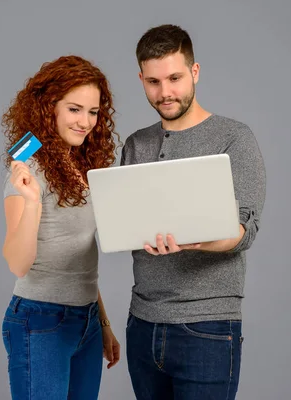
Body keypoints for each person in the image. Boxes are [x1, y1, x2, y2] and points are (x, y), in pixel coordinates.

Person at [121, 25, 267, 399]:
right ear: (141, 79)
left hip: (208, 326)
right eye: (153, 81)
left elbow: (244, 232)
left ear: (195, 72)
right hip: (142, 323)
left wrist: (194, 238)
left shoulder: (234, 137)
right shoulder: (136, 144)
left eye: (174, 78)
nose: (164, 92)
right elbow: (125, 220)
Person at [0, 55, 121, 400]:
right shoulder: (28, 172)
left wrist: (103, 323)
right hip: (41, 320)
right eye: (74, 109)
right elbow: (17, 263)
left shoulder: (83, 166)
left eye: (93, 112)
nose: (85, 122)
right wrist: (33, 201)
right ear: (49, 107)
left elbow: (79, 255)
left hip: (87, 322)